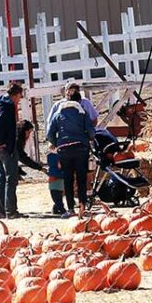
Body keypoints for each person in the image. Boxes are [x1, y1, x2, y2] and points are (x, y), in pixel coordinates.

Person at [46, 86, 96, 217]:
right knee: (81, 178)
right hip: (80, 148)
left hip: (64, 150)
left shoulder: (58, 114)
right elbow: (91, 131)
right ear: (78, 101)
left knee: (67, 178)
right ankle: (82, 207)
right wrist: (88, 138)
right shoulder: (82, 113)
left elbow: (50, 133)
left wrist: (57, 144)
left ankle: (70, 209)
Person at [0, 82, 25, 218]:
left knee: (1, 179)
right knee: (11, 178)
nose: (20, 99)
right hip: (5, 146)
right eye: (19, 96)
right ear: (15, 95)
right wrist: (1, 142)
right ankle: (11, 211)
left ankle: (1, 211)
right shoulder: (7, 107)